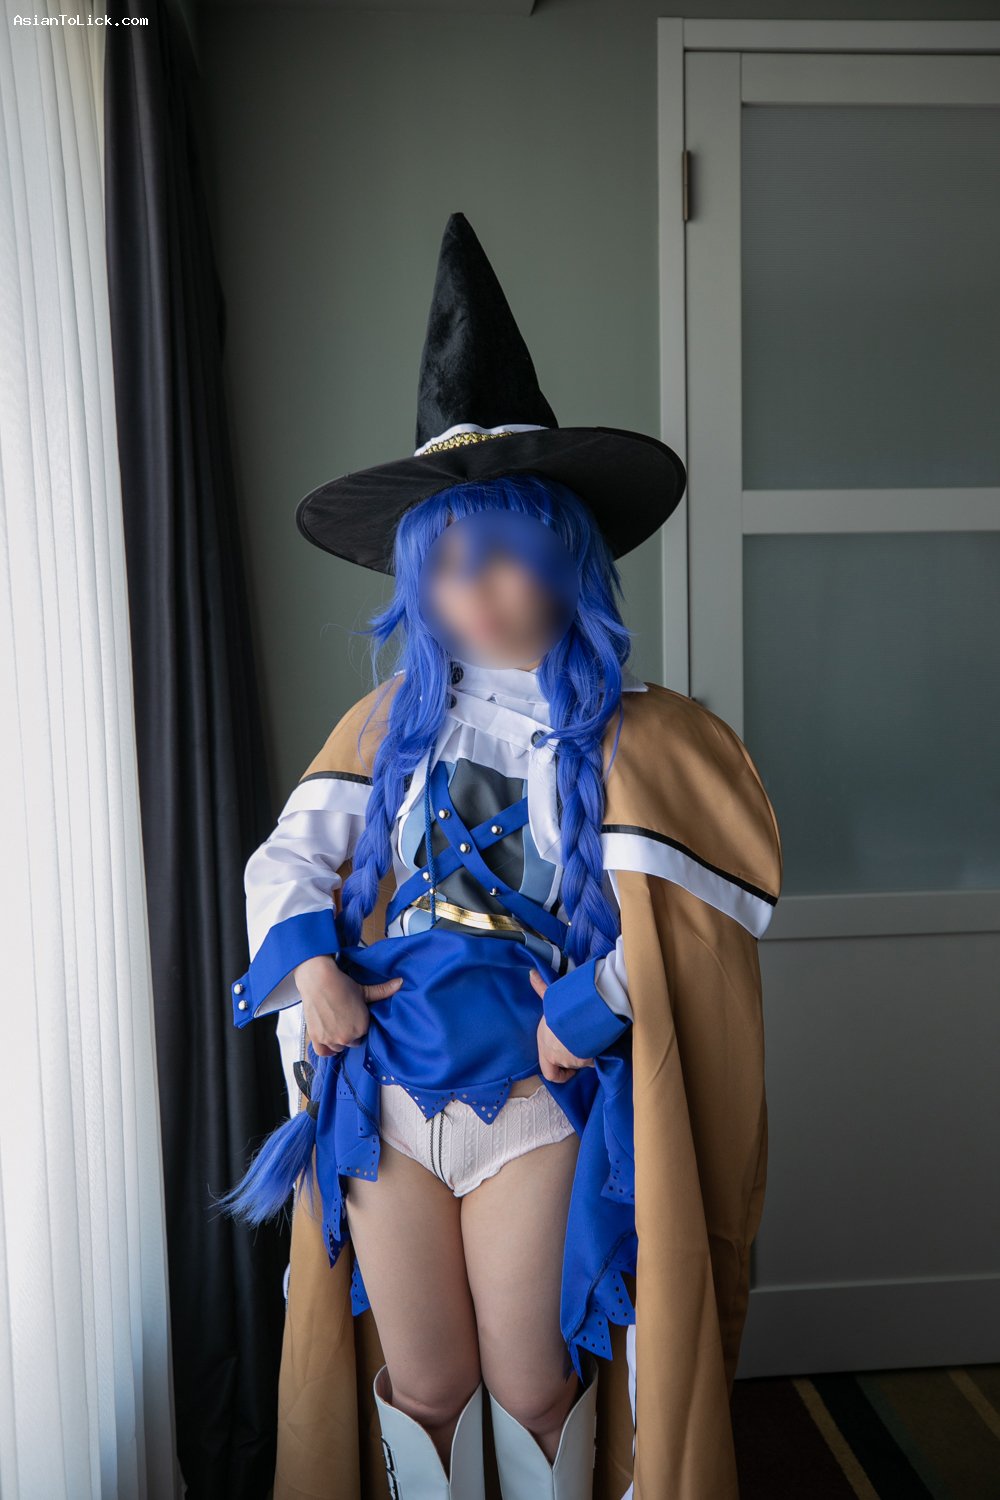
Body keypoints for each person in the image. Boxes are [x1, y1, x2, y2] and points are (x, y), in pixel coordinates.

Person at [217, 214, 782, 1500]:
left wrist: (587, 1010)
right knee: (424, 1387)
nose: (476, 593)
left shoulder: (645, 738)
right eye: (447, 566)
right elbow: (284, 864)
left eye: (506, 557)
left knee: (533, 1383)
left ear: (565, 555)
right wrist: (316, 975)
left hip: (534, 1103)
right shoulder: (387, 725)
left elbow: (689, 942)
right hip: (388, 1096)